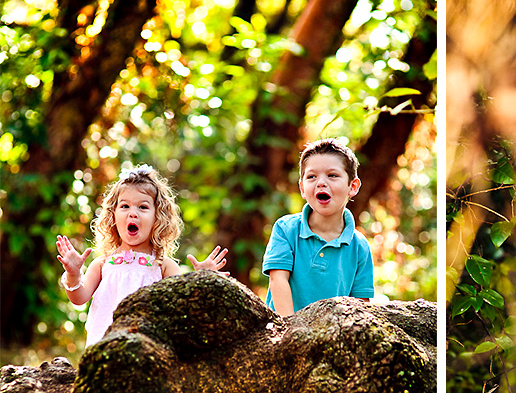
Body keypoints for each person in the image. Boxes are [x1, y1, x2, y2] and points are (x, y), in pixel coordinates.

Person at [57, 164, 229, 346]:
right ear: (113, 215)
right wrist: (74, 274)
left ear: (158, 217)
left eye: (143, 207)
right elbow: (78, 299)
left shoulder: (163, 266)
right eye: (124, 206)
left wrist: (201, 281)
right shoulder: (102, 264)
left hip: (149, 351)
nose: (133, 213)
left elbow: (183, 308)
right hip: (104, 351)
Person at [262, 138, 375, 316]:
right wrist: (290, 330)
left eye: (332, 175)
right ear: (302, 188)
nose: (321, 182)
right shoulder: (285, 229)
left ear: (352, 187)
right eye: (311, 177)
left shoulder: (360, 247)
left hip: (332, 337)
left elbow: (360, 305)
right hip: (284, 332)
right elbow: (278, 279)